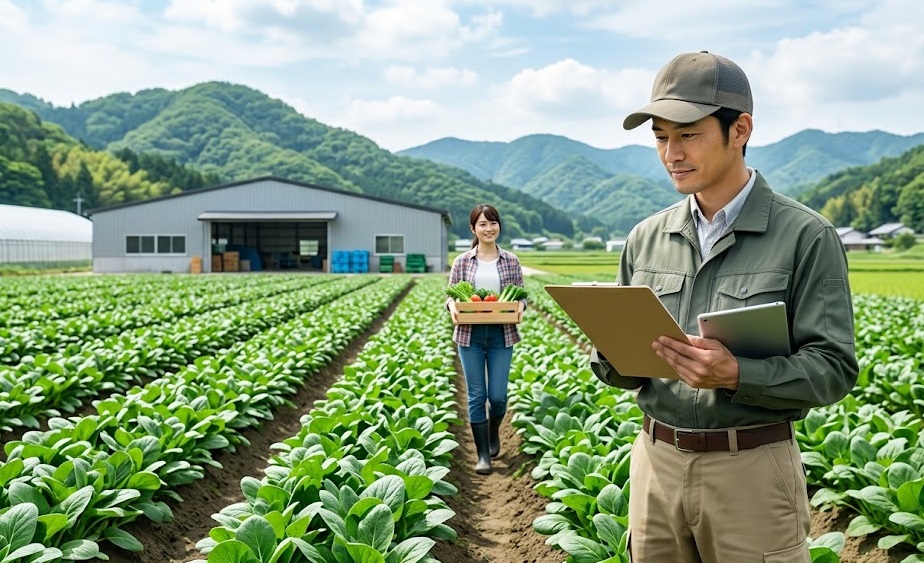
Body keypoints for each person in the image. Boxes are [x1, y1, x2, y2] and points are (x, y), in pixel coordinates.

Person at [591, 51, 859, 562]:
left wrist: (738, 374)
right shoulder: (645, 238)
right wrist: (612, 352)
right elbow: (623, 368)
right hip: (656, 462)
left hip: (751, 469)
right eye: (661, 136)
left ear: (740, 130)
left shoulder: (805, 236)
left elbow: (833, 370)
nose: (672, 152)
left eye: (688, 133)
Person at [446, 204, 526, 475]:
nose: (488, 228)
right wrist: (453, 307)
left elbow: (521, 296)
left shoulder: (511, 261)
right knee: (477, 396)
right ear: (473, 229)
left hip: (502, 334)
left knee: (499, 397)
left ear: (498, 226)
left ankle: (494, 432)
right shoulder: (462, 261)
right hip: (470, 334)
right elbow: (451, 296)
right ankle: (483, 455)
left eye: (492, 223)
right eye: (482, 224)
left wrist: (520, 308)